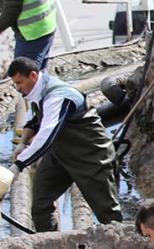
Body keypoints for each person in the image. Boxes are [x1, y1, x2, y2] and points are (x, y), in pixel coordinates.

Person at [8, 56, 124, 232]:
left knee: (107, 212)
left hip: (90, 155)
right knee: (40, 203)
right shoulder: (38, 91)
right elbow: (34, 121)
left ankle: (121, 248)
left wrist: (20, 164)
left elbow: (47, 133)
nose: (18, 88)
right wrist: (22, 144)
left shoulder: (57, 96)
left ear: (32, 75)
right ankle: (48, 245)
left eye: (20, 82)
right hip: (59, 155)